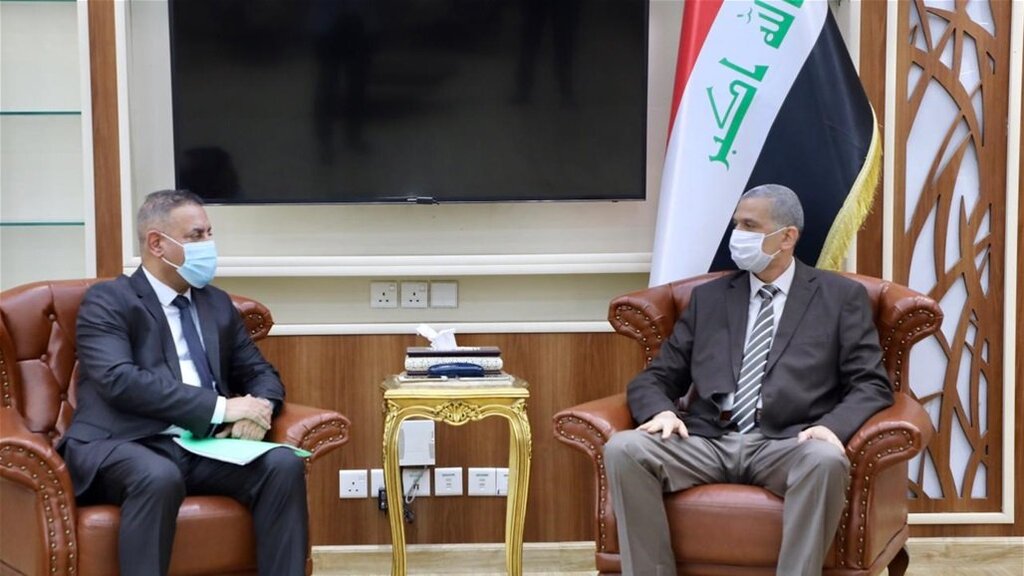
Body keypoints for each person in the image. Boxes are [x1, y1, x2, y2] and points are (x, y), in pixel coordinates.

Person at [604, 184, 894, 576]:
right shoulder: (709, 299)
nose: (737, 236)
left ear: (787, 237)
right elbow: (656, 377)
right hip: (707, 440)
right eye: (736, 224)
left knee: (825, 460)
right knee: (624, 449)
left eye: (749, 226)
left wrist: (831, 427)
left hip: (788, 442)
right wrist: (662, 412)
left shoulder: (840, 298)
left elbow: (871, 384)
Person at [59, 189, 307, 576]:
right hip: (121, 443)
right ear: (157, 244)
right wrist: (222, 408)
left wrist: (259, 409)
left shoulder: (216, 304)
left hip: (200, 446)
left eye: (209, 233)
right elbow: (118, 380)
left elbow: (260, 373)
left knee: (282, 464)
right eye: (195, 236)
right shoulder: (108, 300)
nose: (208, 245)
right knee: (157, 476)